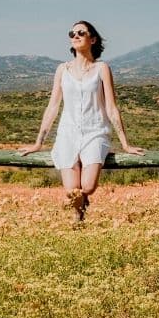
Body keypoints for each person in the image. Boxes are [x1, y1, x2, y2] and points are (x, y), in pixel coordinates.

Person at [19, 21, 144, 221]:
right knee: (71, 191)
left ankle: (82, 205)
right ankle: (79, 218)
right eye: (72, 33)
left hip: (95, 132)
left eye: (81, 32)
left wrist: (125, 144)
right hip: (67, 135)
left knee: (87, 187)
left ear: (92, 39)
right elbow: (52, 107)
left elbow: (111, 107)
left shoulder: (102, 68)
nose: (75, 36)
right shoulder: (62, 69)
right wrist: (38, 143)